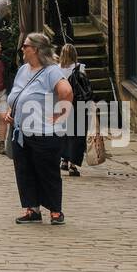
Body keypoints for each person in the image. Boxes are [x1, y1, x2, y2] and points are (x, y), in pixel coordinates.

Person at [0, 32, 74, 225]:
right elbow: (17, 94)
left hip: (45, 133)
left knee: (47, 172)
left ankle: (56, 212)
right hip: (22, 132)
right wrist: (11, 111)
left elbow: (66, 92)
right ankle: (32, 209)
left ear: (37, 50)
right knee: (25, 171)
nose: (22, 49)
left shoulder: (51, 71)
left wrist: (60, 116)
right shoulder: (23, 69)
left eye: (26, 46)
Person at [58, 42, 88, 177]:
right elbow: (85, 87)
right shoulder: (80, 68)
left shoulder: (57, 69)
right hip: (78, 105)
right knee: (77, 135)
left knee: (64, 133)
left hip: (62, 104)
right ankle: (73, 165)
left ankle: (64, 160)